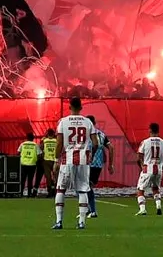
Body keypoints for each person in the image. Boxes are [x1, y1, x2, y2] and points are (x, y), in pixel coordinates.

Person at [54, 96, 98, 230]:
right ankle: (82, 222)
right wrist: (90, 155)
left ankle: (59, 222)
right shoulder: (88, 122)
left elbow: (59, 142)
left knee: (61, 189)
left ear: (69, 107)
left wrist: (56, 160)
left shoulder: (63, 121)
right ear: (81, 107)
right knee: (83, 189)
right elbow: (96, 143)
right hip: (83, 160)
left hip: (67, 159)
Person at [135, 122, 163, 216]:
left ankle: (142, 209)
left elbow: (138, 158)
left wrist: (142, 166)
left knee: (140, 189)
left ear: (150, 130)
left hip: (147, 169)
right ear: (158, 130)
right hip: (159, 169)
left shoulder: (145, 142)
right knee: (155, 188)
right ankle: (158, 206)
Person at [85, 115, 113, 218]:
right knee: (87, 186)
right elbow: (111, 148)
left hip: (88, 163)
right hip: (98, 165)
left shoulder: (86, 134)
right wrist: (110, 164)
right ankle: (88, 209)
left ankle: (92, 210)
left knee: (84, 186)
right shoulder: (101, 134)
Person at [18, 132, 41, 197]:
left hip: (23, 164)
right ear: (33, 138)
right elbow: (39, 154)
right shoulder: (35, 145)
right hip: (32, 164)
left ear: (27, 138)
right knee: (30, 180)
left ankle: (21, 194)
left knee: (23, 179)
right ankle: (29, 194)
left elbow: (18, 152)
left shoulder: (23, 144)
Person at [39, 128, 58, 198]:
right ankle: (55, 192)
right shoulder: (56, 140)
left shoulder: (44, 140)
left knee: (48, 177)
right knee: (56, 177)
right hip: (55, 160)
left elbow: (40, 148)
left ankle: (50, 192)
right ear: (53, 134)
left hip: (46, 160)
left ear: (47, 133)